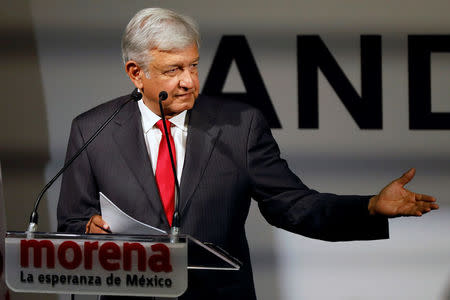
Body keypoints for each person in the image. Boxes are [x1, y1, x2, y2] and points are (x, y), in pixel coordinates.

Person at [57, 8, 439, 300]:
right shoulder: (93, 131)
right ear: (135, 73)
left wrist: (369, 206)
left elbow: (292, 204)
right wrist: (88, 233)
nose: (189, 81)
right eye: (173, 70)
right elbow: (71, 225)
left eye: (192, 65)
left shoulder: (240, 126)